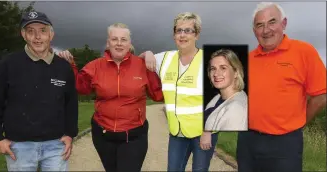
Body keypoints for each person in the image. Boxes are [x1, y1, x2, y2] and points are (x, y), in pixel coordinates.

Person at [58, 23, 163, 172]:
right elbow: (81, 88)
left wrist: (151, 58)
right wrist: (70, 65)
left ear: (129, 43)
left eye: (123, 39)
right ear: (108, 43)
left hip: (133, 136)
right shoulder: (95, 66)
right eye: (114, 39)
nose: (119, 43)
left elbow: (158, 95)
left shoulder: (142, 66)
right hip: (103, 135)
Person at [237, 2, 327, 172]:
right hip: (247, 141)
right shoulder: (247, 59)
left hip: (285, 145)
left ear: (283, 24)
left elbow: (321, 95)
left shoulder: (304, 51)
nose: (266, 30)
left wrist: (299, 123)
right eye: (260, 25)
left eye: (272, 22)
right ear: (254, 30)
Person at [0, 11, 78, 171]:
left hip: (56, 146)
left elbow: (71, 105)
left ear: (51, 34)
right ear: (23, 34)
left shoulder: (63, 67)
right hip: (18, 147)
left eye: (43, 30)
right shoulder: (8, 64)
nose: (37, 37)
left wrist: (70, 134)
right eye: (31, 31)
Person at [140, 12, 218, 172]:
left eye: (188, 30)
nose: (182, 35)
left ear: (197, 34)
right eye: (178, 30)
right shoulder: (165, 58)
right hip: (177, 133)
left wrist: (207, 132)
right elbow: (141, 59)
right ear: (174, 34)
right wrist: (147, 53)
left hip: (202, 133)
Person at [204, 49, 248, 131]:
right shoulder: (218, 98)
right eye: (213, 69)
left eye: (223, 68)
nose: (216, 74)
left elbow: (225, 142)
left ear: (236, 72)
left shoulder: (236, 108)